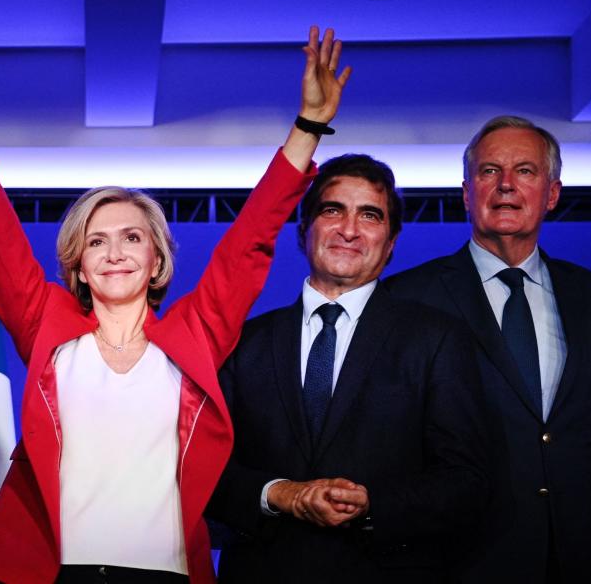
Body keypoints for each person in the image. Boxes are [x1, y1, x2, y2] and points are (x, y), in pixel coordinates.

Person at [0, 7, 349, 583]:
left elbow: (251, 240)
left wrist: (309, 125)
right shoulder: (47, 324)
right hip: (47, 573)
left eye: (132, 237)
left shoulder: (194, 333)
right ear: (80, 267)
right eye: (97, 241)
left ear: (157, 259)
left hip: (161, 573)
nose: (114, 252)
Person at [207, 154, 491, 583]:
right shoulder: (243, 342)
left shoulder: (436, 339)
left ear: (391, 241)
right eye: (332, 210)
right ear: (305, 231)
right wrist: (279, 494)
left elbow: (466, 480)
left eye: (370, 215)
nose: (349, 229)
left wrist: (373, 503)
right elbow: (208, 474)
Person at [385, 116, 591, 583]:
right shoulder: (404, 300)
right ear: (466, 193)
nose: (506, 185)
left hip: (587, 560)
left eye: (525, 171)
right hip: (460, 562)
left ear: (552, 194)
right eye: (490, 171)